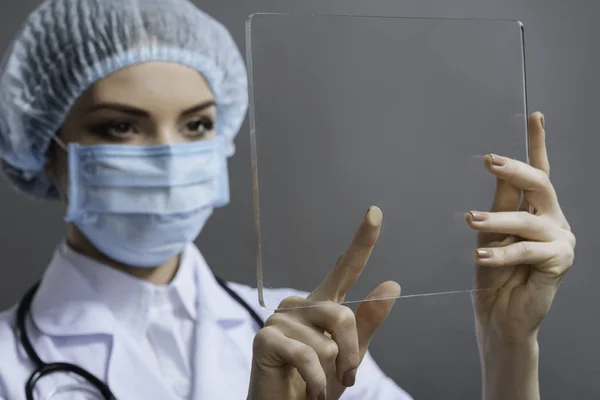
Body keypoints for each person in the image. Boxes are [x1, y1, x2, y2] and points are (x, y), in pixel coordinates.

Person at [0, 0, 575, 399]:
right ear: (45, 147)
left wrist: (508, 346)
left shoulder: (311, 328)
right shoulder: (9, 363)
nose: (169, 156)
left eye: (197, 125)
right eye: (120, 128)